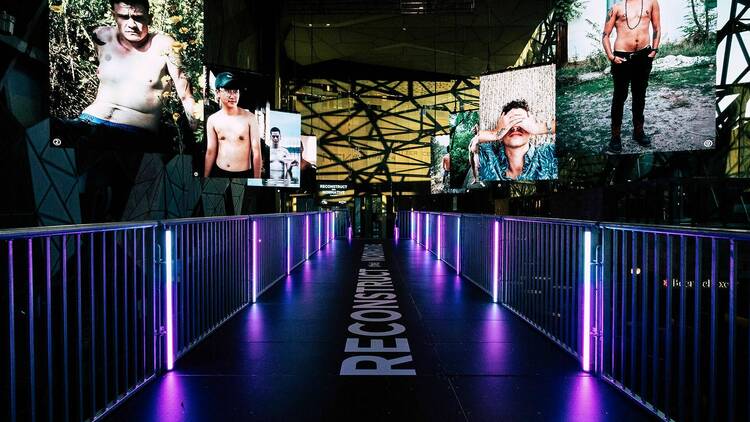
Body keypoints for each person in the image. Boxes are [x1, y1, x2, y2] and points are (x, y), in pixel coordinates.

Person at [602, 0, 661, 152]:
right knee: (619, 97)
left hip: (643, 57)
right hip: (621, 58)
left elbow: (656, 27)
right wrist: (611, 56)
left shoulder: (651, 3)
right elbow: (605, 35)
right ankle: (615, 137)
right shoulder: (616, 8)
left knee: (639, 96)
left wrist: (654, 50)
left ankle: (638, 132)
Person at [469, 99, 557, 181]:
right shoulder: (487, 155)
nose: (515, 128)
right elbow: (471, 143)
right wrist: (496, 133)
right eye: (510, 122)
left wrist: (538, 128)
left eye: (521, 122)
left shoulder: (550, 153)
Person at [204, 72, 262, 178]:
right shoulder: (213, 120)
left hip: (243, 174)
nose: (233, 95)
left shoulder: (250, 118)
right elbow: (211, 151)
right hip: (220, 172)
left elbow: (257, 152)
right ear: (217, 92)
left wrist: (257, 181)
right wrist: (205, 178)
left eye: (235, 91)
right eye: (228, 90)